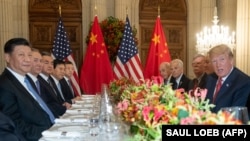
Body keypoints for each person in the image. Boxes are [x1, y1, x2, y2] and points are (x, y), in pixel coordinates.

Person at [0, 38, 53, 141]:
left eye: (29, 55)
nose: (28, 60)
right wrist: (48, 134)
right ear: (7, 57)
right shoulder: (4, 85)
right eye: (21, 55)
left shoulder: (26, 79)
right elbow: (14, 124)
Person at [205, 44, 250, 114]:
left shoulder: (243, 82)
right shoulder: (210, 78)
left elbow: (236, 114)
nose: (218, 65)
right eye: (214, 61)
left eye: (222, 59)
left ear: (231, 60)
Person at [27, 48, 66, 118]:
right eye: (46, 63)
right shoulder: (36, 80)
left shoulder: (49, 80)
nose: (50, 66)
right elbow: (45, 104)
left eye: (52, 63)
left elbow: (56, 101)